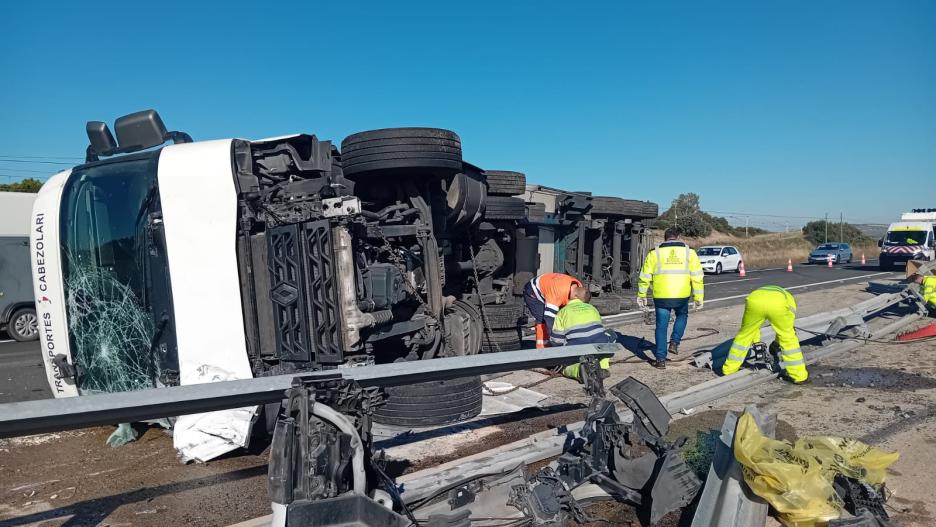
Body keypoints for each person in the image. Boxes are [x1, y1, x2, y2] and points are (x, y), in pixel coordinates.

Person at [636, 228, 704, 369]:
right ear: (678, 237)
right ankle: (674, 342)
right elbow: (697, 277)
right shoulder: (689, 252)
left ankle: (660, 360)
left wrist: (641, 295)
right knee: (682, 315)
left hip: (661, 296)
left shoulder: (655, 253)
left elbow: (645, 277)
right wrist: (698, 297)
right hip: (681, 295)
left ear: (665, 238)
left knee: (661, 326)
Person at [721, 285, 809, 383]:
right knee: (788, 338)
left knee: (744, 335)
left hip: (754, 300)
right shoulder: (790, 301)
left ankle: (729, 370)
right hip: (777, 304)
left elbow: (754, 328)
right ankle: (799, 376)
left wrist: (757, 341)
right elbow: (786, 329)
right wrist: (776, 343)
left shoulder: (768, 292)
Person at [550, 287, 612, 381]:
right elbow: (600, 330)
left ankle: (580, 371)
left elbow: (556, 340)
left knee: (564, 368)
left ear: (574, 296)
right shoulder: (593, 308)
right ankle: (602, 366)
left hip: (578, 350)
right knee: (606, 337)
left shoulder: (563, 312)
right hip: (599, 348)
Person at [523, 272, 587, 349]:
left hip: (549, 287)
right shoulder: (557, 294)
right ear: (576, 296)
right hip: (533, 292)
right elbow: (549, 318)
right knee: (542, 320)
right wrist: (556, 342)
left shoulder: (578, 286)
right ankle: (543, 349)